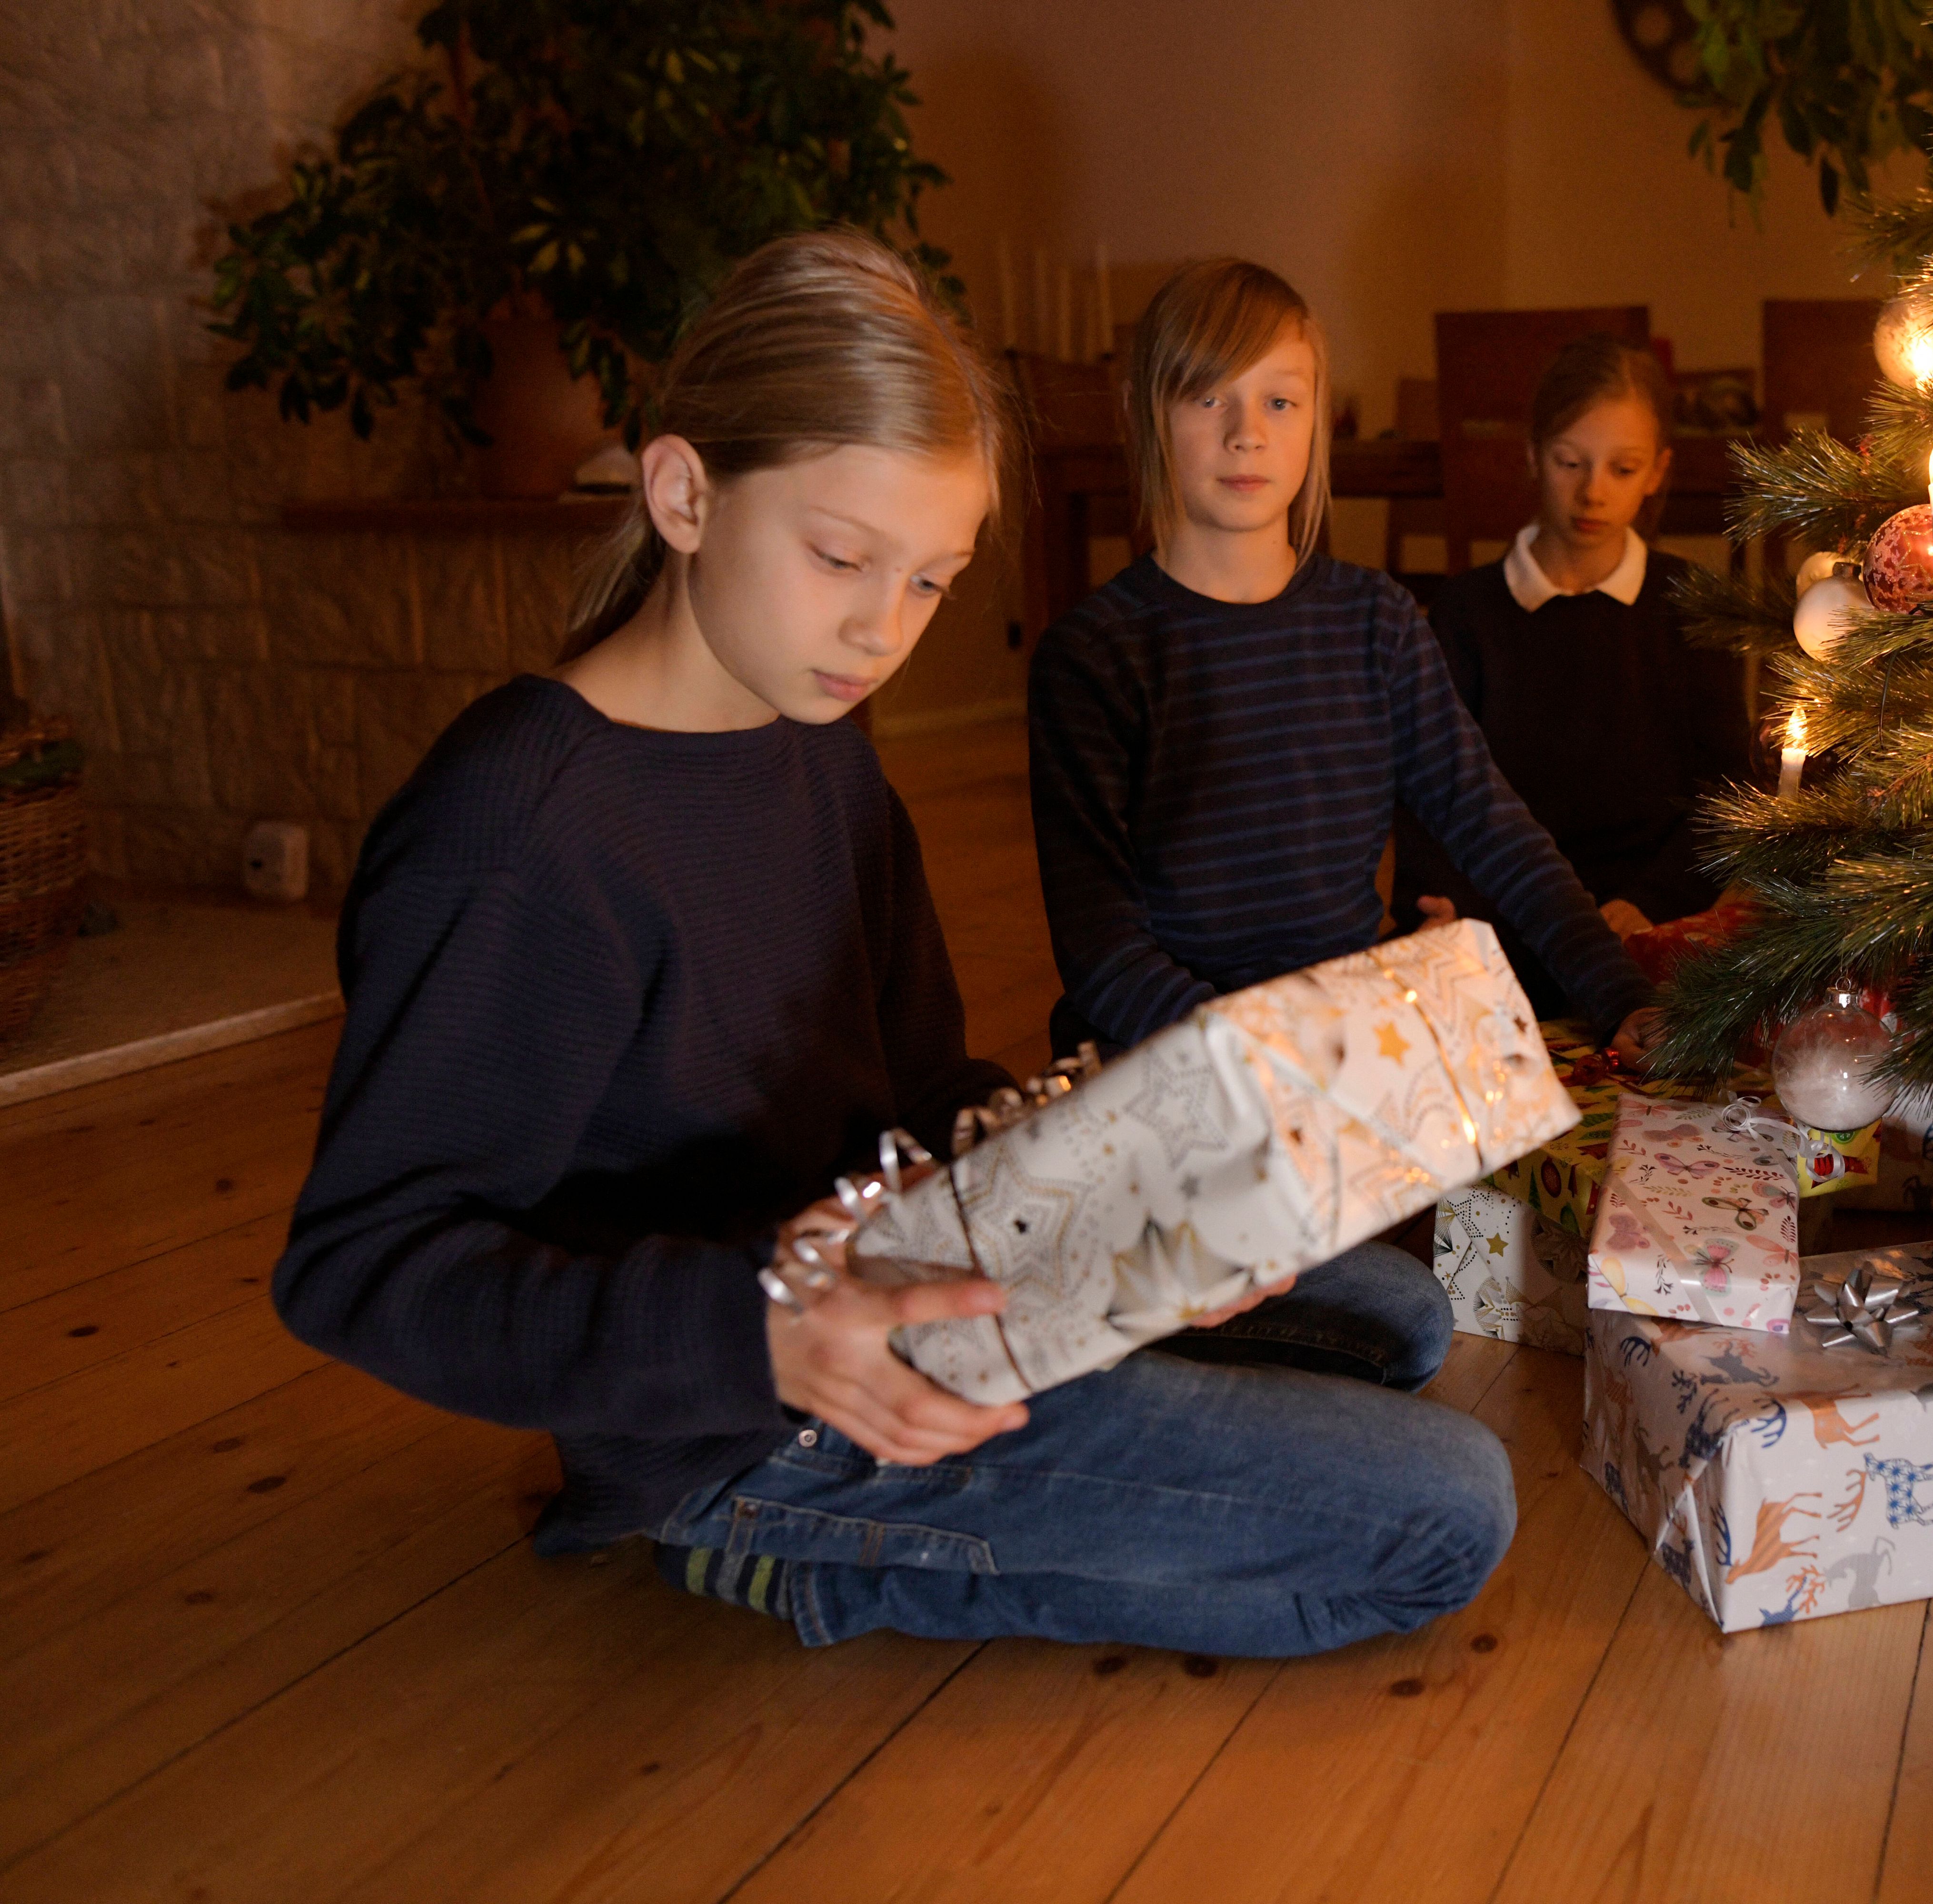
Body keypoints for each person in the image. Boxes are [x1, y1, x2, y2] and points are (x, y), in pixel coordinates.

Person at [271, 230, 1513, 1657]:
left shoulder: (818, 747)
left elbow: (924, 1088)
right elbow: (363, 1264)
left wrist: (1146, 1188)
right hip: (753, 1405)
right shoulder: (522, 831)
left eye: (932, 580)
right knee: (1446, 1517)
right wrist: (763, 1336)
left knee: (1397, 1321)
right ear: (683, 493)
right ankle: (797, 1552)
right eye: (842, 556)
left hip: (920, 1265)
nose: (882, 629)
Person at [1028, 257, 1664, 1064]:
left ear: (1317, 419)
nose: (1246, 431)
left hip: (1345, 1043)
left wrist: (1617, 995)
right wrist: (1263, 1059)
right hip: (1175, 1058)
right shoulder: (1091, 656)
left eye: (1280, 400)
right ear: (1142, 411)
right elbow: (1100, 946)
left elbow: (1493, 828)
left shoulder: (1378, 620)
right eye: (1208, 395)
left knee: (1496, 1199)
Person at [1394, 334, 1754, 1014]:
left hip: (1647, 924)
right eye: (1570, 462)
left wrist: (1646, 902)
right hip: (1500, 917)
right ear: (1533, 456)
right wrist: (1447, 912)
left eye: (1623, 469)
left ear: (1656, 472)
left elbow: (1724, 794)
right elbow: (1424, 794)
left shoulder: (1690, 604)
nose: (1593, 492)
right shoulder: (1467, 613)